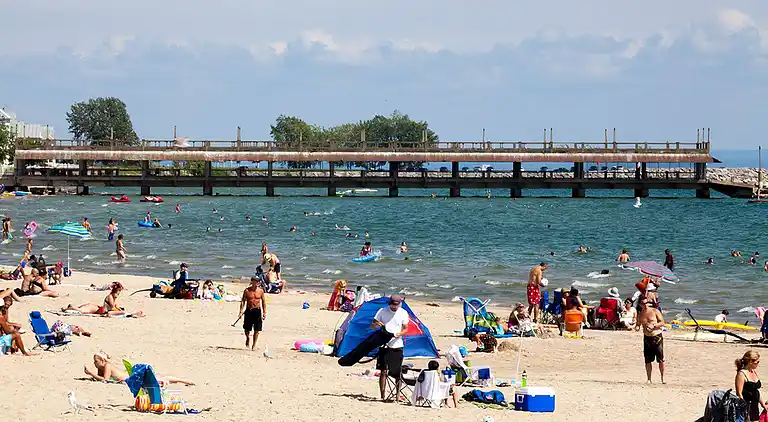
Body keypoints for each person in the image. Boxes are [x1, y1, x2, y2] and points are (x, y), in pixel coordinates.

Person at [371, 294, 409, 401]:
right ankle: (382, 396)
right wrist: (376, 324)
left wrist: (399, 334)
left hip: (397, 345)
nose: (394, 307)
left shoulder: (403, 312)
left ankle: (397, 395)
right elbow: (372, 325)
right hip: (384, 345)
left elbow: (406, 329)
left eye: (396, 306)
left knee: (397, 372)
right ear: (389, 304)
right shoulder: (382, 311)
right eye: (393, 305)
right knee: (383, 371)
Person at [638, 296, 666, 384]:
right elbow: (638, 324)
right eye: (643, 303)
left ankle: (662, 378)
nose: (645, 305)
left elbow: (662, 322)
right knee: (647, 360)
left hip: (657, 337)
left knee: (660, 359)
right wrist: (636, 326)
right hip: (647, 338)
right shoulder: (640, 314)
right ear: (640, 304)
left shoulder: (655, 311)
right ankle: (649, 379)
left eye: (646, 303)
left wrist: (653, 325)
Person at [61, 282, 132, 316]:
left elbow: (113, 307)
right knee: (82, 311)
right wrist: (119, 310)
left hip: (97, 308)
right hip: (95, 309)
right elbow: (112, 308)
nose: (119, 293)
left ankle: (72, 307)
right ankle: (67, 308)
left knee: (82, 309)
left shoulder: (113, 297)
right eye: (119, 291)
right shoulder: (110, 296)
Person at [735, 350, 767, 421]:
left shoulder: (753, 371)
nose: (758, 363)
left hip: (754, 406)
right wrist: (745, 411)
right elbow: (739, 394)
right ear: (750, 361)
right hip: (747, 406)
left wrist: (762, 404)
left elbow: (756, 391)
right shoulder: (741, 374)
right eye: (757, 362)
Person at [238, 276, 266, 350]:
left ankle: (254, 344)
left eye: (258, 281)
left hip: (257, 311)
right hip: (249, 310)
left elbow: (263, 302)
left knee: (257, 329)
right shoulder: (247, 290)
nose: (256, 282)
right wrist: (240, 311)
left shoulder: (261, 291)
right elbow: (243, 301)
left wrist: (264, 312)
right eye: (255, 281)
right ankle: (247, 338)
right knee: (247, 328)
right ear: (252, 281)